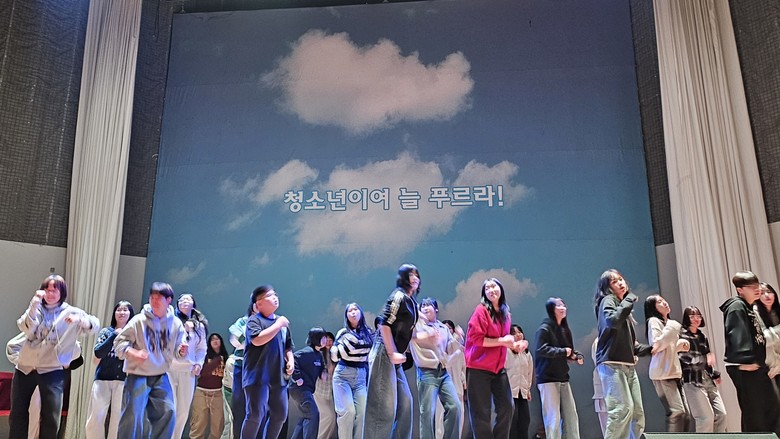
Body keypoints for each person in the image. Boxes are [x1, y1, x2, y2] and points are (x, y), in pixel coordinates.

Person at [9, 274, 100, 439]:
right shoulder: (37, 308)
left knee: (51, 416)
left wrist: (79, 320)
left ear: (61, 292)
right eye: (47, 289)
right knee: (18, 414)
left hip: (52, 369)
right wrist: (34, 303)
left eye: (54, 290)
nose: (50, 293)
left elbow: (94, 325)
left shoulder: (71, 311)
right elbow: (24, 326)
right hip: (25, 368)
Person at [114, 282, 189, 438]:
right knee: (133, 414)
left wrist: (181, 351)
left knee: (168, 411)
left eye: (158, 298)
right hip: (138, 374)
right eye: (152, 298)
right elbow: (119, 343)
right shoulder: (138, 321)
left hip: (160, 375)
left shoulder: (175, 323)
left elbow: (178, 349)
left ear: (168, 300)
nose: (154, 301)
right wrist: (133, 353)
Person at [363, 264, 420, 439]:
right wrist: (392, 352)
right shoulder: (398, 296)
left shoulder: (411, 302)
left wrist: (430, 335)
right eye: (411, 274)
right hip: (385, 353)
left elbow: (409, 333)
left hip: (393, 358)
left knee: (405, 404)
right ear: (403, 278)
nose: (415, 278)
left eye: (417, 275)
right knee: (382, 409)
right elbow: (384, 324)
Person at [593, 269, 651, 439]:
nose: (620, 283)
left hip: (628, 365)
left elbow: (632, 346)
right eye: (614, 281)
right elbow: (612, 320)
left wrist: (653, 349)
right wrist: (629, 299)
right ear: (608, 288)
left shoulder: (622, 309)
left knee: (637, 413)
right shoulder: (608, 300)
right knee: (621, 410)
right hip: (612, 364)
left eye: (620, 279)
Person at [720, 271, 780, 433]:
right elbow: (737, 334)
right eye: (751, 287)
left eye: (757, 285)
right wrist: (745, 361)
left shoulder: (749, 307)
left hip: (756, 365)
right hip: (746, 367)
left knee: (770, 409)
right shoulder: (736, 306)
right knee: (756, 414)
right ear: (740, 290)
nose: (757, 289)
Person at [464, 278, 522, 439]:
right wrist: (503, 341)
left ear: (501, 288)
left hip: (498, 369)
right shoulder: (481, 311)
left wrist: (515, 345)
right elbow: (476, 339)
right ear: (484, 293)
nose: (491, 290)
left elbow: (503, 341)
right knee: (481, 413)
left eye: (494, 286)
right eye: (487, 288)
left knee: (507, 407)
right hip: (478, 368)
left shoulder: (505, 314)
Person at [240, 285, 294, 439]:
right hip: (257, 376)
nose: (275, 297)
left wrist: (290, 360)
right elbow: (257, 340)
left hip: (277, 377)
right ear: (259, 304)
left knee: (280, 414)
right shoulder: (254, 320)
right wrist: (278, 324)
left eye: (275, 294)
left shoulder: (282, 323)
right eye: (270, 295)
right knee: (255, 415)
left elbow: (288, 346)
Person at [409, 297, 462, 439]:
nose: (425, 308)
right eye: (423, 306)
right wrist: (426, 331)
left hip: (443, 372)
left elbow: (451, 347)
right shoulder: (417, 325)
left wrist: (458, 338)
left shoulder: (443, 328)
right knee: (427, 412)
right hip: (426, 372)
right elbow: (411, 312)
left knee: (455, 407)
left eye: (429, 305)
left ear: (436, 309)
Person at [85, 300, 135, 439]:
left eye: (125, 310)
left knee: (118, 418)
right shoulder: (106, 332)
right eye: (118, 310)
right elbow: (98, 352)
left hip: (124, 380)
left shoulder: (134, 335)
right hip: (103, 378)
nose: (121, 312)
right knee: (96, 416)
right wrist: (114, 335)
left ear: (131, 314)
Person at [534, 297, 583, 439]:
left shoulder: (564, 329)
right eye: (558, 305)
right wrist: (562, 352)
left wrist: (576, 356)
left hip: (563, 378)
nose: (563, 308)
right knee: (553, 418)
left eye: (563, 305)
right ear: (551, 310)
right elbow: (541, 350)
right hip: (548, 379)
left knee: (571, 416)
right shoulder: (544, 329)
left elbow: (568, 350)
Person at [644, 294, 690, 432]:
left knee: (686, 415)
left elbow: (667, 347)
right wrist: (673, 327)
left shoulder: (668, 324)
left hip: (674, 372)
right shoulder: (654, 321)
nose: (664, 303)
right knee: (676, 412)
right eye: (659, 302)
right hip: (662, 374)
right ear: (653, 307)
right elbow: (656, 345)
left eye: (664, 300)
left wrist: (680, 344)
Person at [678, 306, 726, 432]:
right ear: (686, 318)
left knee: (721, 415)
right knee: (705, 418)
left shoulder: (701, 336)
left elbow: (707, 358)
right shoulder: (682, 336)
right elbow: (684, 358)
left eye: (698, 316)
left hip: (707, 379)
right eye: (692, 316)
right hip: (692, 380)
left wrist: (715, 374)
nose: (696, 319)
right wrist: (704, 359)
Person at [331, 302, 373, 439]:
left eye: (355, 309)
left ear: (361, 312)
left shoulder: (368, 332)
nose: (353, 312)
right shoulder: (343, 333)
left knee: (362, 413)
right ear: (346, 316)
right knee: (348, 412)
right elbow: (335, 355)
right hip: (343, 375)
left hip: (360, 375)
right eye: (350, 311)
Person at [170, 292, 208, 439]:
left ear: (193, 304)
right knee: (170, 407)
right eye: (182, 299)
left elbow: (201, 348)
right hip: (170, 369)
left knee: (183, 410)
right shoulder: (171, 321)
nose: (185, 301)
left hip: (188, 371)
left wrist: (199, 363)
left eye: (188, 299)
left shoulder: (199, 326)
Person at [290, 327, 327, 439]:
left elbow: (322, 367)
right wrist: (297, 377)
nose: (325, 340)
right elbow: (293, 359)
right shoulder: (307, 352)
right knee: (313, 414)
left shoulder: (318, 354)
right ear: (315, 338)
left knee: (305, 416)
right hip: (299, 389)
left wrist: (323, 373)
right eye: (322, 338)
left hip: (307, 390)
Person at [190, 333, 228, 439]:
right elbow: (203, 372)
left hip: (218, 393)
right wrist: (216, 361)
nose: (215, 341)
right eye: (212, 339)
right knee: (198, 423)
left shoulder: (226, 358)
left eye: (217, 339)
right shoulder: (204, 356)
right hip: (202, 392)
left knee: (217, 426)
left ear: (221, 341)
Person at [438, 319, 467, 439]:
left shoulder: (459, 348)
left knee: (459, 418)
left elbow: (463, 367)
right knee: (441, 420)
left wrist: (464, 381)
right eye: (444, 328)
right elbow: (447, 362)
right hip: (442, 389)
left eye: (449, 328)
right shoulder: (439, 347)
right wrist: (457, 340)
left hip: (458, 389)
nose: (447, 330)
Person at [505, 324, 533, 439]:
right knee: (513, 421)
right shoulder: (507, 351)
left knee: (525, 420)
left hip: (523, 392)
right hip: (510, 391)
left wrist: (528, 389)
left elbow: (529, 372)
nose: (518, 335)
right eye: (514, 333)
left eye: (519, 332)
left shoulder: (527, 354)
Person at [228, 306, 251, 439]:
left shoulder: (272, 321)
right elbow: (234, 338)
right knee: (239, 405)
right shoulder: (243, 321)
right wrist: (249, 342)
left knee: (258, 409)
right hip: (241, 365)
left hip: (261, 367)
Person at [755, 282, 780, 386]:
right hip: (769, 368)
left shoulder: (777, 311)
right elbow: (764, 340)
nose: (766, 295)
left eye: (769, 292)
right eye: (762, 293)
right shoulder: (755, 314)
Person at [314, 331, 337, 439]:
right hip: (319, 391)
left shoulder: (334, 355)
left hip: (329, 392)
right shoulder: (319, 354)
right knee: (328, 416)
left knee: (332, 419)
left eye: (330, 340)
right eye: (326, 340)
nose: (328, 342)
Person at [590, 338, 607, 437]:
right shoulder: (599, 341)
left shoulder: (625, 338)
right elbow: (600, 363)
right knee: (608, 430)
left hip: (622, 392)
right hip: (604, 391)